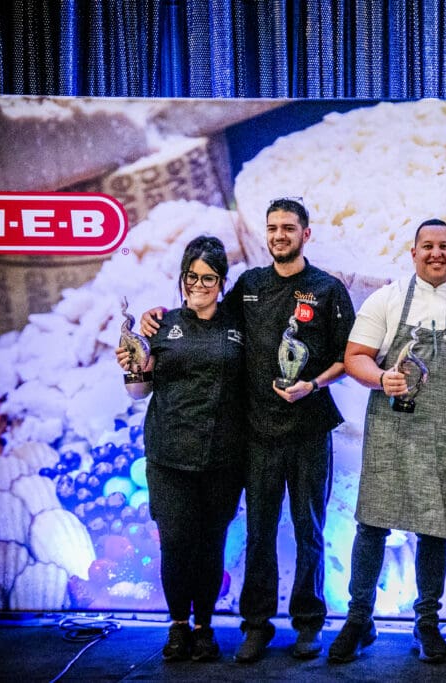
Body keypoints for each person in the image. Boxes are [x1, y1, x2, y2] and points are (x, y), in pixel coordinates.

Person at [142, 198, 355, 662]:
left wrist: (313, 384)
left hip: (309, 430)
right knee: (259, 533)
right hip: (256, 434)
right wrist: (159, 319)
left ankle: (308, 623)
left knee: (309, 530)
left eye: (289, 227)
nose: (279, 235)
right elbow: (207, 315)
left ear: (306, 233)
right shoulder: (249, 286)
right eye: (273, 227)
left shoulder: (327, 289)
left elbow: (349, 357)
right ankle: (255, 626)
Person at [329, 218, 446, 665]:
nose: (435, 253)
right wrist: (382, 378)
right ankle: (359, 619)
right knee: (373, 525)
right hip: (391, 427)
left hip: (445, 432)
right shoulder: (387, 297)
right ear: (413, 252)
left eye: (444, 246)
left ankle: (427, 623)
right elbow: (354, 357)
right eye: (427, 246)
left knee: (433, 529)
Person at [116, 235, 244, 662]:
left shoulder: (238, 324)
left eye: (209, 277)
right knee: (175, 544)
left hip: (223, 456)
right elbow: (138, 393)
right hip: (169, 455)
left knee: (212, 544)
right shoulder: (160, 324)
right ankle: (177, 626)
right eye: (193, 276)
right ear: (183, 277)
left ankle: (205, 627)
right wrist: (133, 366)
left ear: (222, 281)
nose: (200, 284)